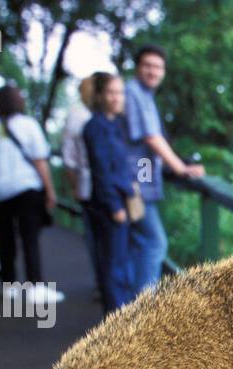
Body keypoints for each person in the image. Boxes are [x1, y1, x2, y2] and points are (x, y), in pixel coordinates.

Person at [123, 44, 204, 293]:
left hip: (139, 183)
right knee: (154, 243)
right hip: (134, 185)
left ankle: (131, 310)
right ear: (138, 68)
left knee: (139, 242)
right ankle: (143, 315)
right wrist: (180, 169)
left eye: (158, 67)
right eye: (147, 65)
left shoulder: (145, 96)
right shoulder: (133, 93)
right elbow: (151, 138)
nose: (153, 71)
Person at [0, 85, 60, 303]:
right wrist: (50, 190)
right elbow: (40, 160)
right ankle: (35, 286)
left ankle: (8, 284)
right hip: (26, 187)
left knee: (4, 238)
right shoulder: (29, 125)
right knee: (30, 238)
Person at [83, 73, 137, 313]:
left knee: (122, 263)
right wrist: (114, 206)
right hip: (109, 205)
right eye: (111, 93)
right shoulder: (96, 127)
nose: (117, 98)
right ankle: (116, 320)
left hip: (122, 199)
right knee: (113, 265)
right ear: (100, 96)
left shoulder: (117, 124)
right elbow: (101, 170)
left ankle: (123, 315)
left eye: (120, 93)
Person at [61, 74, 105, 300]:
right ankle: (104, 284)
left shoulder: (86, 115)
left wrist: (74, 185)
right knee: (99, 237)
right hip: (92, 186)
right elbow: (69, 157)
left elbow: (68, 159)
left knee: (97, 238)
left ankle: (103, 284)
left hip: (90, 185)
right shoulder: (81, 116)